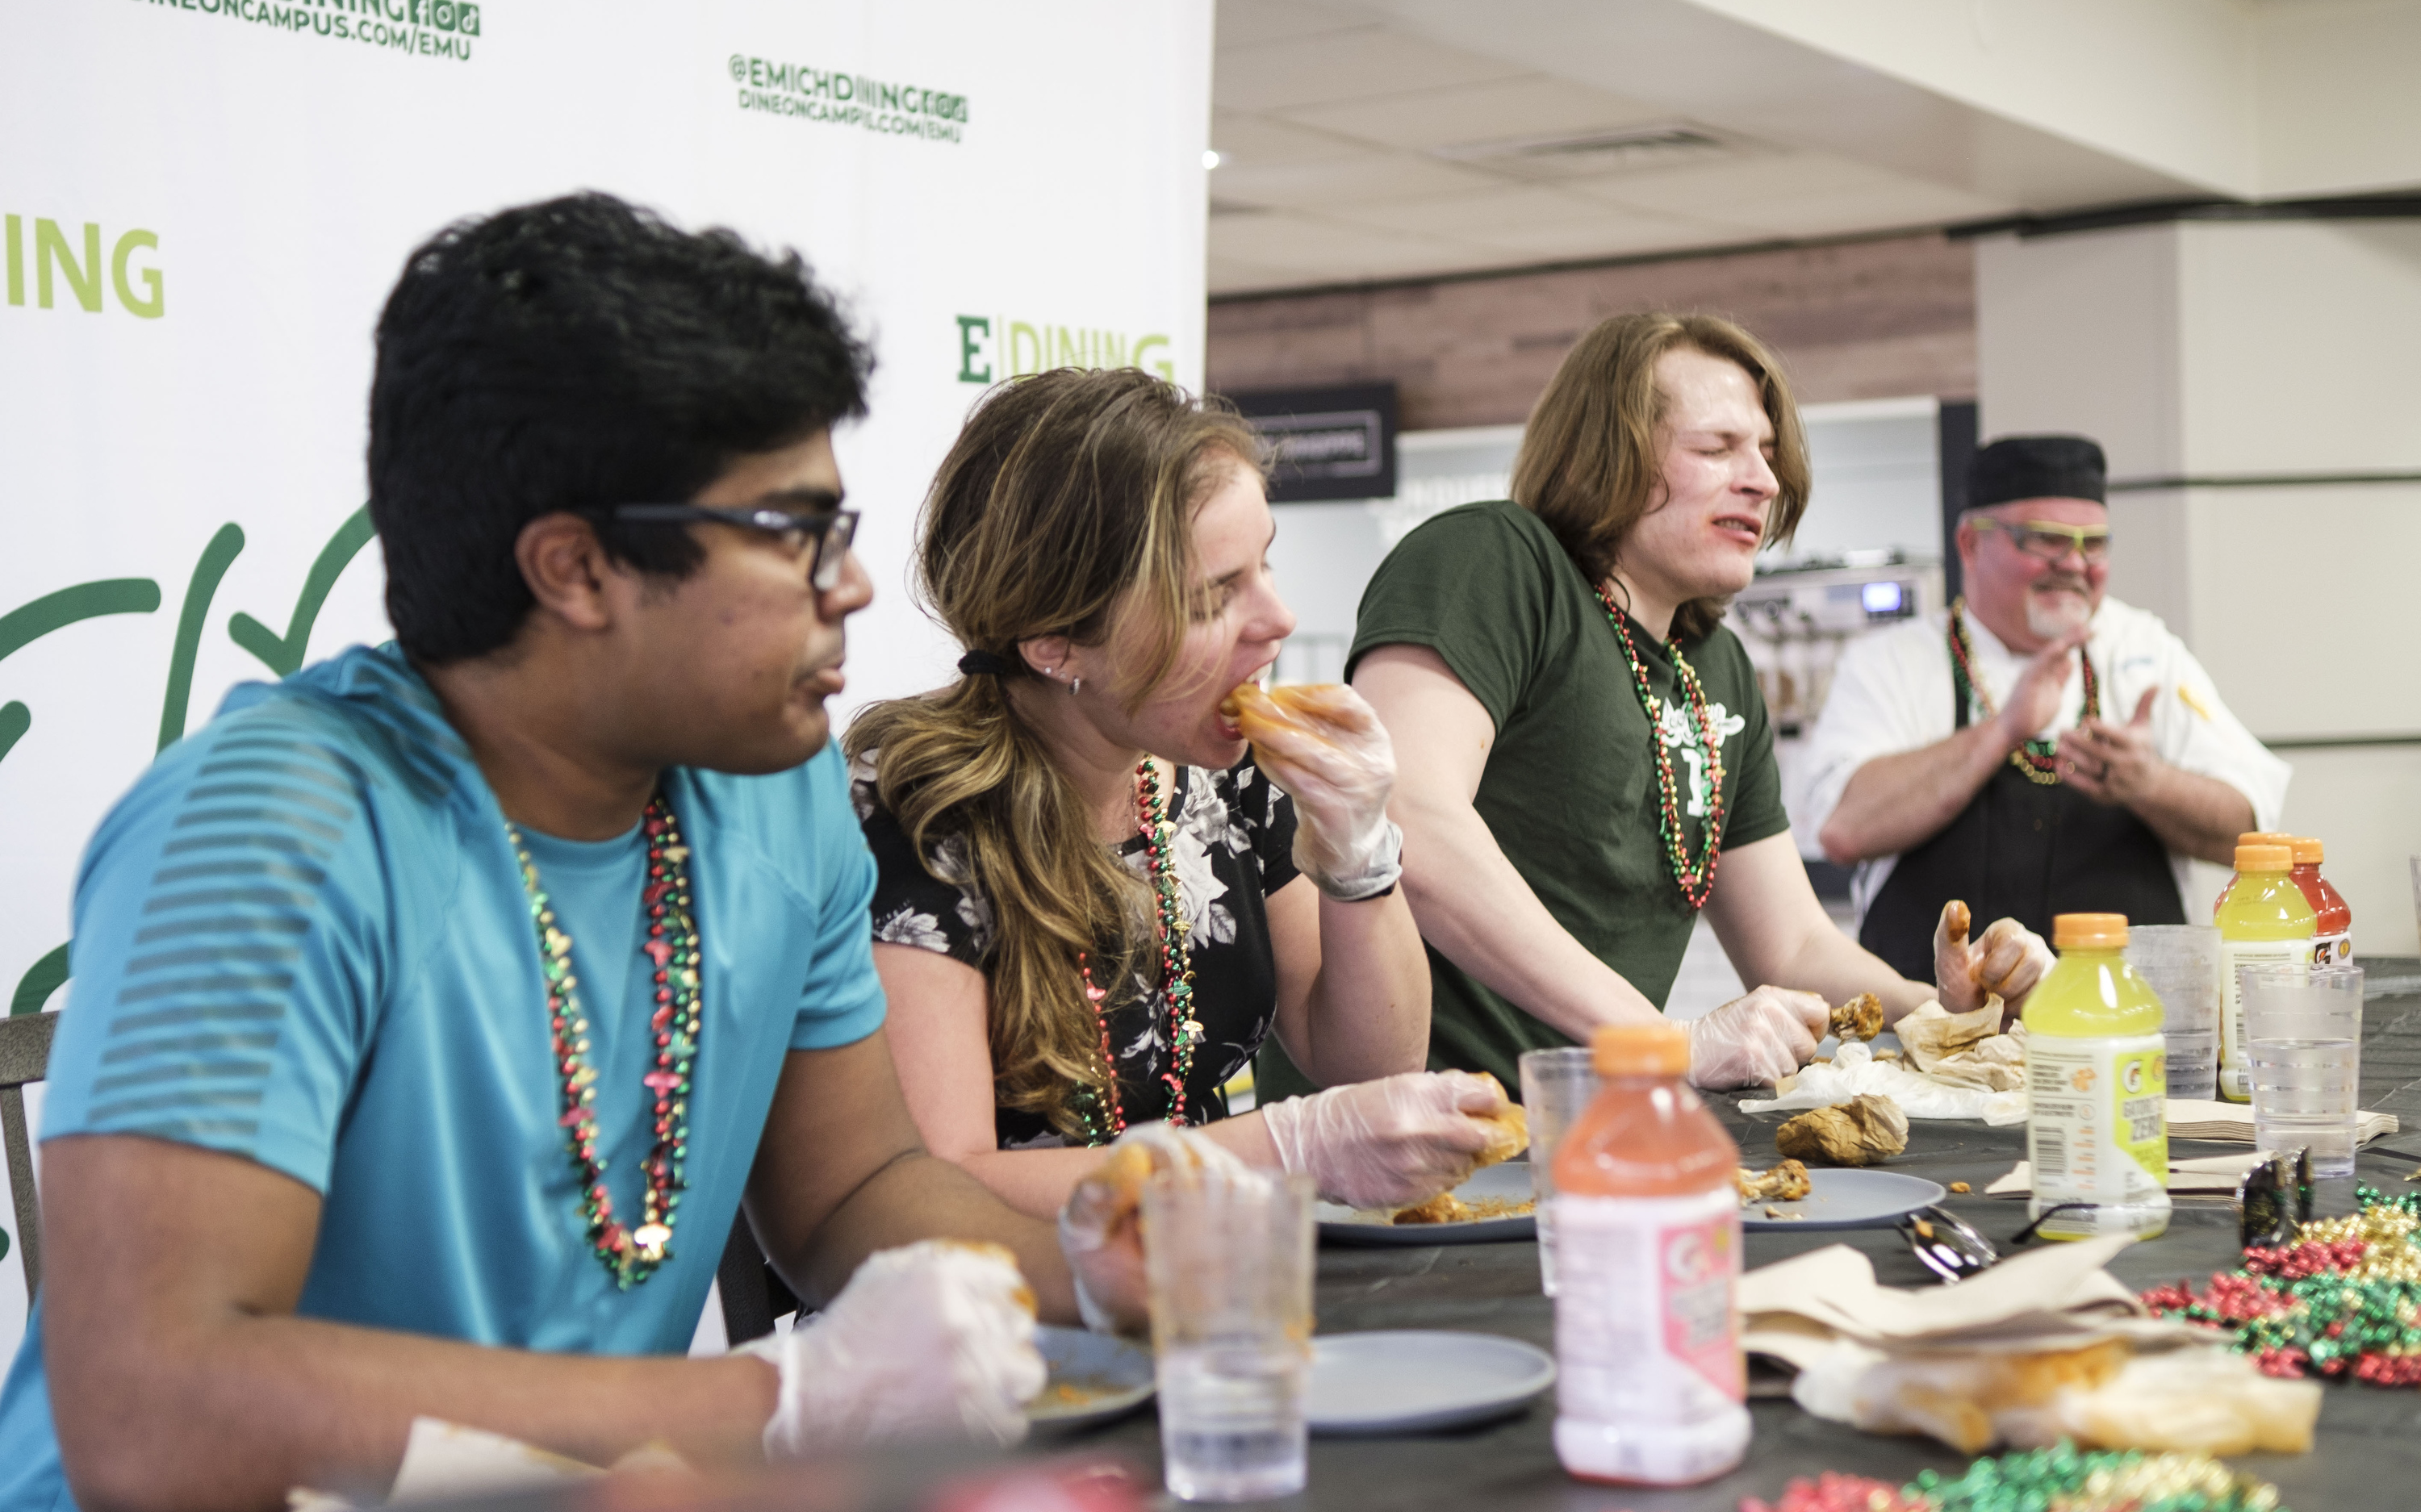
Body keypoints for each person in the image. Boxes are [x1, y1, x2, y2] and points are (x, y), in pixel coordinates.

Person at [0, 194, 1133, 1510]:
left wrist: (1125, 1271)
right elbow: (157, 1417)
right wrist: (775, 1405)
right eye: (796, 534)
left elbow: (852, 1192)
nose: (854, 588)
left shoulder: (778, 790)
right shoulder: (269, 829)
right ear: (576, 570)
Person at [848, 367, 1510, 1222]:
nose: (1277, 618)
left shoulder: (1228, 773)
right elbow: (941, 1186)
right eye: (1211, 597)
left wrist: (1360, 852)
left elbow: (1369, 1068)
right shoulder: (913, 808)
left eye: (1264, 564)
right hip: (995, 1311)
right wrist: (1288, 1146)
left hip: (1209, 1275)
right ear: (1055, 645)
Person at [1337, 313, 2018, 1096]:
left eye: (1764, 451)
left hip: (1585, 1138)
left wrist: (1949, 1016)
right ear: (1608, 458)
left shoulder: (1716, 666)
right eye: (1717, 447)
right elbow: (1408, 812)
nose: (1763, 478)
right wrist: (1662, 1041)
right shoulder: (1496, 559)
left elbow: (1792, 943)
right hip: (1411, 1135)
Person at [1798, 433, 2288, 979]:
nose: (2076, 564)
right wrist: (2003, 730)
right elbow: (1843, 830)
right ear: (1970, 543)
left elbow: (2250, 830)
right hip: (1930, 1040)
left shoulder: (2144, 652)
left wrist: (2149, 784)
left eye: (2094, 543)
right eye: (2046, 540)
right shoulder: (1891, 663)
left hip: (2123, 1036)